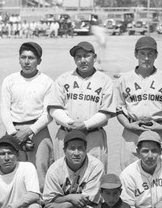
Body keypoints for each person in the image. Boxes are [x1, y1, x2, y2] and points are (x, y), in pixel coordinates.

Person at [0, 42, 55, 208]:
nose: (27, 61)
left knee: (42, 178)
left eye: (31, 58)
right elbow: (5, 109)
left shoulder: (47, 82)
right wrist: (15, 134)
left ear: (39, 60)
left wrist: (30, 132)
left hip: (38, 129)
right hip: (13, 131)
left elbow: (48, 113)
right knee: (15, 177)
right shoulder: (10, 80)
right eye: (23, 57)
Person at [116, 36, 162, 170]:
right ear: (136, 54)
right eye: (142, 54)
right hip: (132, 131)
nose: (146, 58)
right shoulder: (124, 79)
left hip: (160, 130)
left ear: (156, 55)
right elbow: (119, 109)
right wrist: (128, 125)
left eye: (150, 54)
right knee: (130, 173)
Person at [47, 41, 115, 170]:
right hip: (66, 133)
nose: (82, 60)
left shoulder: (105, 80)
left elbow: (106, 112)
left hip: (93, 136)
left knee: (95, 175)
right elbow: (54, 108)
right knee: (63, 175)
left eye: (86, 56)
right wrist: (70, 124)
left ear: (94, 58)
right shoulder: (63, 79)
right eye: (78, 57)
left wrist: (86, 124)